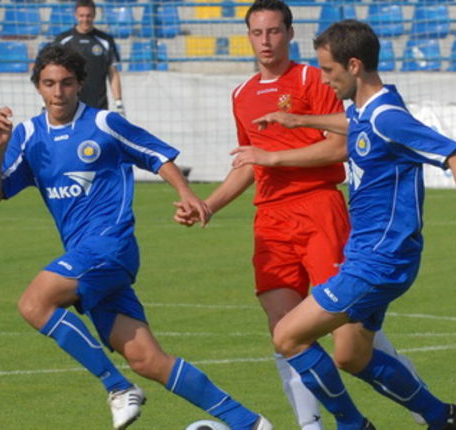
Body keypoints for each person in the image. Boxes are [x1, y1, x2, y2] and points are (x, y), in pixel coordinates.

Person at [0, 44, 271, 430]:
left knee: (34, 303)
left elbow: (156, 155)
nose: (58, 92)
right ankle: (250, 423)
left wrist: (185, 192)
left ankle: (117, 386)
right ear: (38, 87)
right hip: (87, 259)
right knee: (148, 360)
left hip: (110, 246)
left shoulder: (103, 124)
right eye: (49, 84)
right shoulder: (29, 135)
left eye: (66, 83)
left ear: (80, 84)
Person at [228, 20, 456, 430]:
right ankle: (440, 416)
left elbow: (455, 155)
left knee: (287, 336)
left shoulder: (388, 117)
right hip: (368, 254)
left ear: (353, 65)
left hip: (380, 259)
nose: (324, 79)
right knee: (352, 356)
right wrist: (298, 120)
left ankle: (353, 425)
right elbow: (354, 124)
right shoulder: (366, 109)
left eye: (329, 70)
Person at [174, 2, 424, 429]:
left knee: (347, 329)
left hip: (318, 208)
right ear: (248, 36)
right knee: (283, 331)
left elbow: (341, 146)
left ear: (290, 34)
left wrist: (273, 157)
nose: (265, 41)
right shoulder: (242, 94)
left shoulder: (313, 78)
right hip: (270, 220)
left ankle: (418, 398)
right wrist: (208, 204)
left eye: (274, 31)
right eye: (257, 33)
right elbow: (250, 162)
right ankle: (312, 424)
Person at [55, 0, 124, 115]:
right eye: (81, 16)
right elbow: (54, 72)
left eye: (89, 15)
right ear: (76, 15)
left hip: (98, 105)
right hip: (70, 104)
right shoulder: (63, 40)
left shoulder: (105, 40)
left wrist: (118, 102)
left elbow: (113, 73)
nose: (85, 19)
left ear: (94, 15)